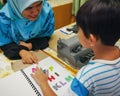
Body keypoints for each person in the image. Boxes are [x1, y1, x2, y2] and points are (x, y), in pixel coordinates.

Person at [31, 0, 120, 96]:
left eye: (79, 29)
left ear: (91, 39)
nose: (77, 33)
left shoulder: (87, 76)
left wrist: (43, 83)